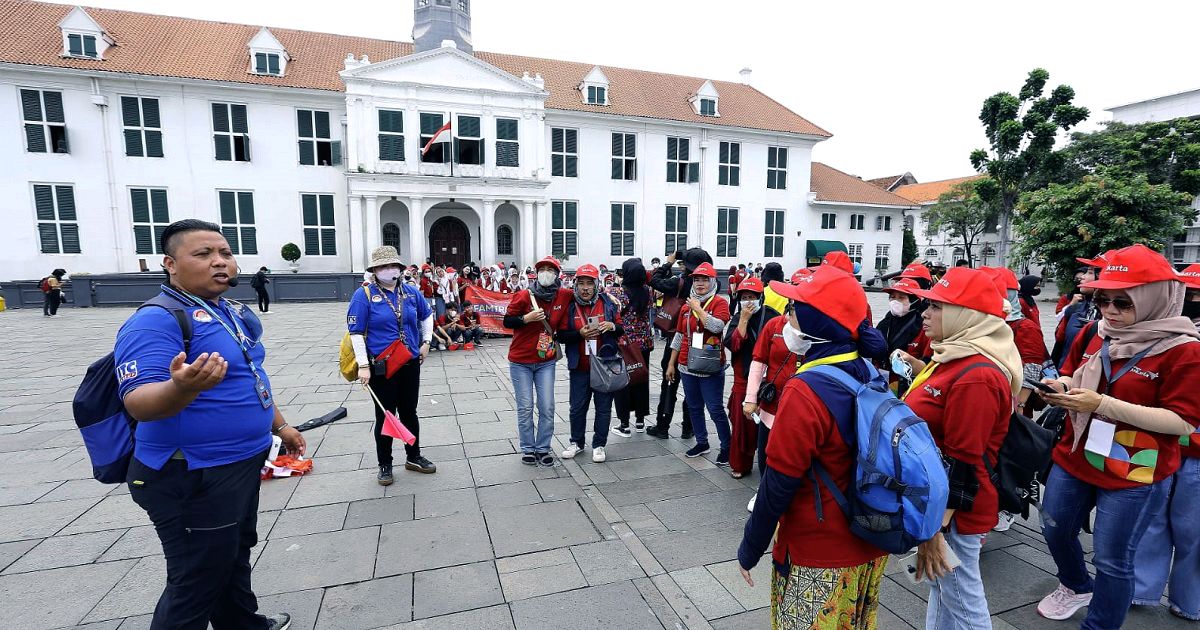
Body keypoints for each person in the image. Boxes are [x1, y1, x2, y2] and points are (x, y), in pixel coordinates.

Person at [115, 219, 298, 630]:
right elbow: (138, 402)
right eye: (203, 254)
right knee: (196, 579)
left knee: (233, 554)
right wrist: (180, 389)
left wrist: (280, 426)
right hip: (191, 473)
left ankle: (243, 625)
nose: (220, 262)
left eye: (226, 254)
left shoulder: (224, 311)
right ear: (171, 264)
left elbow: (249, 376)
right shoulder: (155, 320)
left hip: (240, 463)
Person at [1035, 244, 1200, 627]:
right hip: (1075, 454)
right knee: (1054, 527)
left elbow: (1182, 422)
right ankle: (1076, 584)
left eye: (1122, 303)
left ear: (1154, 299)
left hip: (1134, 471)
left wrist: (1100, 405)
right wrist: (1058, 386)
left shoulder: (1184, 351)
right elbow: (1071, 369)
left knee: (1113, 560)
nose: (1109, 311)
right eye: (1102, 299)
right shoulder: (1097, 330)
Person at [736, 266, 889, 629]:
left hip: (819, 553)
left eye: (794, 307)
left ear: (815, 322)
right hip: (869, 539)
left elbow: (778, 483)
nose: (788, 315)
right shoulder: (869, 371)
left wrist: (750, 549)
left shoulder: (806, 390)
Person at [899, 266, 1022, 629]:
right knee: (943, 589)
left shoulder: (977, 375)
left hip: (954, 512)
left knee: (964, 602)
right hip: (940, 504)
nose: (925, 313)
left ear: (965, 315)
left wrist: (935, 528)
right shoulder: (955, 355)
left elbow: (964, 461)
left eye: (937, 306)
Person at [1131, 262, 1200, 620]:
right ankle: (1141, 589)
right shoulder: (1157, 335)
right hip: (1156, 444)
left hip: (1197, 454)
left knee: (1194, 531)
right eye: (1187, 294)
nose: (1193, 301)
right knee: (1150, 519)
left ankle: (1190, 599)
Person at [348, 246, 437, 486]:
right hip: (382, 365)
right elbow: (355, 332)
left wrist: (426, 342)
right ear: (375, 270)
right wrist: (363, 366)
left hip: (409, 361)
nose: (389, 270)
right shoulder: (364, 295)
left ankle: (413, 455)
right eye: (383, 267)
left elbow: (426, 315)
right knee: (385, 415)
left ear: (399, 269)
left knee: (410, 411)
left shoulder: (409, 292)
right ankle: (385, 463)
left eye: (393, 266)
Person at [743, 268, 804, 511]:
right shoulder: (774, 325)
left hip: (803, 408)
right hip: (772, 402)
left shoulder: (821, 329)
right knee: (766, 450)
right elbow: (758, 362)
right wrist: (750, 398)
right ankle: (764, 490)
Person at [504, 256, 574, 466]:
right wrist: (526, 318)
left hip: (546, 360)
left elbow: (584, 294)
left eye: (550, 269)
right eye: (542, 269)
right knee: (525, 406)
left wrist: (610, 299)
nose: (546, 272)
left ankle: (543, 447)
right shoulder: (524, 296)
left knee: (547, 406)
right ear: (536, 273)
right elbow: (507, 321)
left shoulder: (563, 295)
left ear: (557, 274)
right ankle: (527, 448)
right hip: (521, 361)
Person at [665, 262, 732, 464]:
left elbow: (716, 326)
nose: (700, 283)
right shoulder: (686, 306)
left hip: (710, 366)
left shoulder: (719, 303)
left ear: (713, 282)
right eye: (697, 280)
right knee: (693, 406)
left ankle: (727, 447)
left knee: (715, 408)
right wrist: (671, 363)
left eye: (705, 280)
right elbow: (679, 336)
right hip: (687, 365)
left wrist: (698, 309)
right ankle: (702, 442)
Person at [558, 264, 623, 462]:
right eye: (581, 284)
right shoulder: (570, 306)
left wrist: (612, 326)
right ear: (575, 285)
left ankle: (599, 445)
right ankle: (576, 442)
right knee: (577, 407)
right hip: (580, 366)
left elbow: (621, 328)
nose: (585, 288)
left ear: (597, 285)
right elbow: (560, 335)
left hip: (604, 366)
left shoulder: (608, 303)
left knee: (603, 407)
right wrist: (579, 333)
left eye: (590, 284)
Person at [648, 248, 713, 439]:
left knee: (669, 383)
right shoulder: (710, 284)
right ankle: (688, 427)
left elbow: (654, 280)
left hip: (676, 337)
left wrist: (668, 262)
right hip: (700, 338)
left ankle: (662, 426)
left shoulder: (681, 281)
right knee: (693, 384)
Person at [724, 277, 766, 479]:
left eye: (752, 297)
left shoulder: (771, 316)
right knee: (741, 425)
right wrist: (743, 320)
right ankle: (741, 463)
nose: (748, 301)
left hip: (768, 379)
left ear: (761, 298)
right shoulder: (737, 318)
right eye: (744, 297)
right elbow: (733, 345)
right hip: (743, 377)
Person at [611, 258, 653, 436]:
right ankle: (640, 421)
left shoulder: (619, 293)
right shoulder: (648, 291)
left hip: (625, 344)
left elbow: (613, 310)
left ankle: (624, 424)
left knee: (623, 383)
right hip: (644, 343)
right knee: (641, 380)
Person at [876, 278, 931, 395]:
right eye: (892, 297)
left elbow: (929, 364)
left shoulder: (924, 327)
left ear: (914, 301)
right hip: (883, 383)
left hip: (911, 388)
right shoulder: (883, 324)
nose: (895, 301)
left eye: (901, 297)